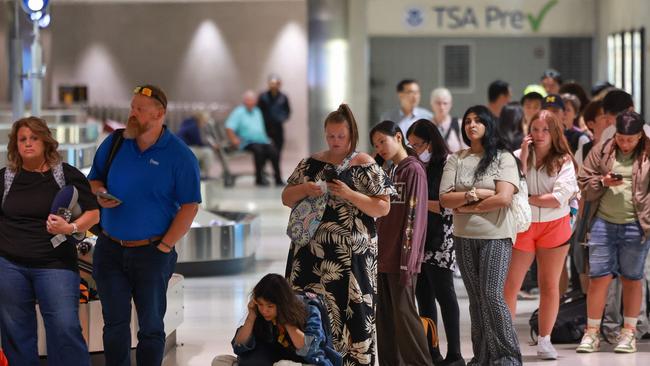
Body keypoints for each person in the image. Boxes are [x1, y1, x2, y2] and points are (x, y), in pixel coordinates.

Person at [88, 84, 201, 366]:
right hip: (110, 249)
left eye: (139, 109)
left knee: (150, 327)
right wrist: (100, 194)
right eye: (132, 107)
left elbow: (190, 205)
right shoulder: (115, 143)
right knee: (114, 324)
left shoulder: (179, 155)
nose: (132, 113)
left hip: (152, 253)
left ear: (159, 113)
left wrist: (164, 246)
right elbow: (94, 179)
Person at [282, 104, 394, 365]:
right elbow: (286, 198)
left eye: (340, 136)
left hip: (352, 256)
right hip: (309, 253)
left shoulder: (365, 164)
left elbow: (383, 206)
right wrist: (305, 189)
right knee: (308, 311)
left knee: (354, 311)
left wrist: (349, 194)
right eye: (330, 136)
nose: (335, 141)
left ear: (351, 134)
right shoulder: (311, 163)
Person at [0, 117, 100, 366]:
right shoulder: (5, 178)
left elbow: (94, 213)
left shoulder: (66, 175)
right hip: (9, 266)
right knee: (15, 331)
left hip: (55, 264)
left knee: (64, 326)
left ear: (46, 142)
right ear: (15, 145)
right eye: (22, 139)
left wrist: (71, 227)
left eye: (34, 138)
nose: (28, 144)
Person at [440, 105, 522, 365]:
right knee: (476, 300)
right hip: (464, 235)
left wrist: (464, 205)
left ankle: (508, 356)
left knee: (492, 295)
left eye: (477, 121)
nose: (471, 125)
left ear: (488, 124)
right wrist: (476, 194)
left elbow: (504, 198)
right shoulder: (456, 158)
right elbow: (444, 198)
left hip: (496, 234)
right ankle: (483, 356)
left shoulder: (503, 157)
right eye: (467, 121)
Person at [503, 110, 579, 360]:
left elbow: (558, 198)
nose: (539, 134)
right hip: (523, 226)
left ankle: (545, 340)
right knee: (510, 285)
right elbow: (511, 189)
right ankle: (507, 339)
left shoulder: (564, 160)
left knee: (550, 285)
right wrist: (523, 162)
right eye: (535, 129)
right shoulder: (517, 156)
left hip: (554, 227)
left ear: (555, 132)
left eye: (545, 130)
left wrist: (527, 199)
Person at [576, 111, 650, 354]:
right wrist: (603, 182)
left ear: (640, 136)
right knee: (599, 278)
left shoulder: (648, 153)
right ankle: (592, 333)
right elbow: (583, 180)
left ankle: (628, 332)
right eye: (621, 138)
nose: (625, 143)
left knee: (632, 278)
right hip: (603, 223)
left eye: (630, 139)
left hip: (636, 224)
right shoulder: (603, 149)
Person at [371, 121, 432, 366]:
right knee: (385, 320)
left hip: (402, 259)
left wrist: (409, 260)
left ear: (398, 137)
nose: (380, 148)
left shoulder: (413, 170)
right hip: (384, 257)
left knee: (405, 317)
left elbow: (415, 219)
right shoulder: (391, 171)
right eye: (375, 144)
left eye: (382, 141)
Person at [406, 120, 465, 366]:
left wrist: (418, 202)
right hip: (420, 239)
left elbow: (446, 204)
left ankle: (455, 353)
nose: (414, 149)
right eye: (411, 145)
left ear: (430, 142)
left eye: (417, 144)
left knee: (445, 296)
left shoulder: (447, 163)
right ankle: (432, 352)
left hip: (441, 239)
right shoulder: (415, 165)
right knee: (424, 299)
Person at [232, 273, 341, 366]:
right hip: (274, 358)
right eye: (260, 304)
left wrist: (286, 319)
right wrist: (251, 316)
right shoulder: (259, 313)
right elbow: (239, 347)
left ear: (282, 304)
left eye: (270, 306)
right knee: (222, 361)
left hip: (307, 362)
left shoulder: (309, 308)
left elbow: (310, 349)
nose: (264, 310)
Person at [226, 90, 284, 186]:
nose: (250, 103)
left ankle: (278, 178)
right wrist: (234, 139)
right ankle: (259, 178)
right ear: (244, 101)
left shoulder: (257, 111)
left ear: (255, 101)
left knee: (274, 151)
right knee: (259, 150)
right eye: (248, 100)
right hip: (247, 142)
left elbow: (261, 129)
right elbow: (229, 127)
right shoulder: (238, 112)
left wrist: (267, 139)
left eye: (252, 100)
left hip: (262, 140)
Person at [258, 74, 291, 159]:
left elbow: (287, 111)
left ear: (279, 84)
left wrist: (281, 118)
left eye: (275, 83)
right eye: (271, 83)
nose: (273, 85)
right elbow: (258, 111)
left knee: (278, 147)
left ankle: (276, 169)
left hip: (278, 127)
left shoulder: (283, 97)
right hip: (265, 127)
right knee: (264, 148)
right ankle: (263, 168)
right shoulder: (263, 96)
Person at [177, 111, 216, 178]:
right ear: (201, 119)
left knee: (203, 150)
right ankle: (205, 175)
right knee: (208, 152)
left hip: (180, 149)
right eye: (204, 121)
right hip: (186, 150)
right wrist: (211, 146)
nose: (204, 123)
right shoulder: (193, 126)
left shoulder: (187, 123)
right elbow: (198, 142)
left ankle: (199, 173)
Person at [430, 87, 467, 153]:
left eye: (445, 103)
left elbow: (466, 151)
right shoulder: (426, 126)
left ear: (450, 104)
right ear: (432, 104)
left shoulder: (460, 124)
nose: (442, 107)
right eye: (438, 103)